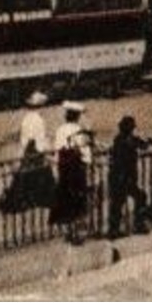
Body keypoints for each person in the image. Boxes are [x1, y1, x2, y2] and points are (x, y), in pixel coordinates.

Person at [50, 102, 93, 244]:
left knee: (66, 199)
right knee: (79, 200)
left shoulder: (60, 130)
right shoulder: (80, 130)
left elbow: (57, 151)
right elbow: (86, 153)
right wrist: (88, 163)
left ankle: (68, 231)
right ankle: (78, 233)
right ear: (77, 116)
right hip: (78, 170)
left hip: (64, 169)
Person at [105, 116, 149, 239]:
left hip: (118, 177)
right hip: (124, 177)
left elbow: (141, 144)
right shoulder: (128, 141)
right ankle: (137, 224)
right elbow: (142, 145)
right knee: (138, 197)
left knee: (118, 203)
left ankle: (114, 229)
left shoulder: (119, 140)